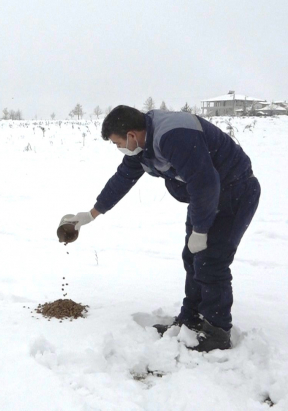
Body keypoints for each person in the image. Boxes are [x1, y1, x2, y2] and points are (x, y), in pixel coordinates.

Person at [64, 106, 260, 352]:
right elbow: (123, 178)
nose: (119, 148)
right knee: (192, 258)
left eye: (117, 143)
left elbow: (206, 183)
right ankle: (191, 320)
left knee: (212, 260)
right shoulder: (143, 146)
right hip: (205, 197)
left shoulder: (174, 136)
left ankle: (217, 332)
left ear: (132, 135)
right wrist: (92, 214)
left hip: (234, 192)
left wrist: (200, 229)